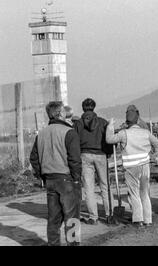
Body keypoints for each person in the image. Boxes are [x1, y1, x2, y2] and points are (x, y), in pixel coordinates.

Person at [29, 101, 82, 246]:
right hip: (67, 179)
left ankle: (53, 244)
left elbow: (33, 157)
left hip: (50, 180)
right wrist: (77, 179)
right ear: (60, 114)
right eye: (64, 111)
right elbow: (75, 159)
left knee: (53, 219)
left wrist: (42, 175)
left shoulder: (41, 134)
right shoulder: (69, 132)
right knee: (72, 218)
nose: (66, 112)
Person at [106, 107, 158, 227]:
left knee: (134, 193)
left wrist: (110, 126)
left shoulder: (123, 133)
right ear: (137, 121)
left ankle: (138, 219)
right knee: (144, 193)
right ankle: (148, 219)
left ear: (127, 122)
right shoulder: (145, 133)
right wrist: (154, 154)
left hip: (131, 167)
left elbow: (109, 139)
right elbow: (157, 143)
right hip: (145, 165)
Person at [73, 98, 112, 225]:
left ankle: (93, 216)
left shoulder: (78, 124)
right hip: (101, 154)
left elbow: (74, 142)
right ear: (94, 107)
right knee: (105, 185)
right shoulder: (102, 122)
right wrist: (109, 152)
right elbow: (108, 139)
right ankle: (109, 214)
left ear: (83, 108)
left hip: (84, 155)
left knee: (89, 187)